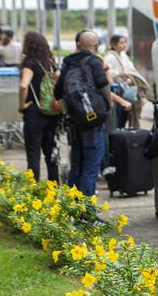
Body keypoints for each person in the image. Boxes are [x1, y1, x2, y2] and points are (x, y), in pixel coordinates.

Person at [54, 31, 111, 198]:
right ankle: (87, 214)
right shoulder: (94, 61)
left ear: (77, 45)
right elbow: (104, 86)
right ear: (96, 46)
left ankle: (71, 210)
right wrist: (106, 107)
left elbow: (57, 93)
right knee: (90, 169)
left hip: (75, 122)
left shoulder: (68, 63)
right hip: (93, 123)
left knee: (77, 166)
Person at [18, 31, 59, 182]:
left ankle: (34, 190)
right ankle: (54, 189)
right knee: (52, 154)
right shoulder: (52, 63)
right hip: (51, 112)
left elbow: (23, 86)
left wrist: (21, 104)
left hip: (34, 113)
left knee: (33, 155)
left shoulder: (29, 64)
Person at [105, 35, 148, 128]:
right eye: (121, 43)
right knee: (120, 115)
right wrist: (118, 73)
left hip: (125, 87)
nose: (124, 45)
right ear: (114, 44)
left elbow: (131, 68)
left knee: (126, 113)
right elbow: (106, 71)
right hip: (117, 90)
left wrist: (130, 77)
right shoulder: (110, 57)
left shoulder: (123, 55)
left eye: (125, 42)